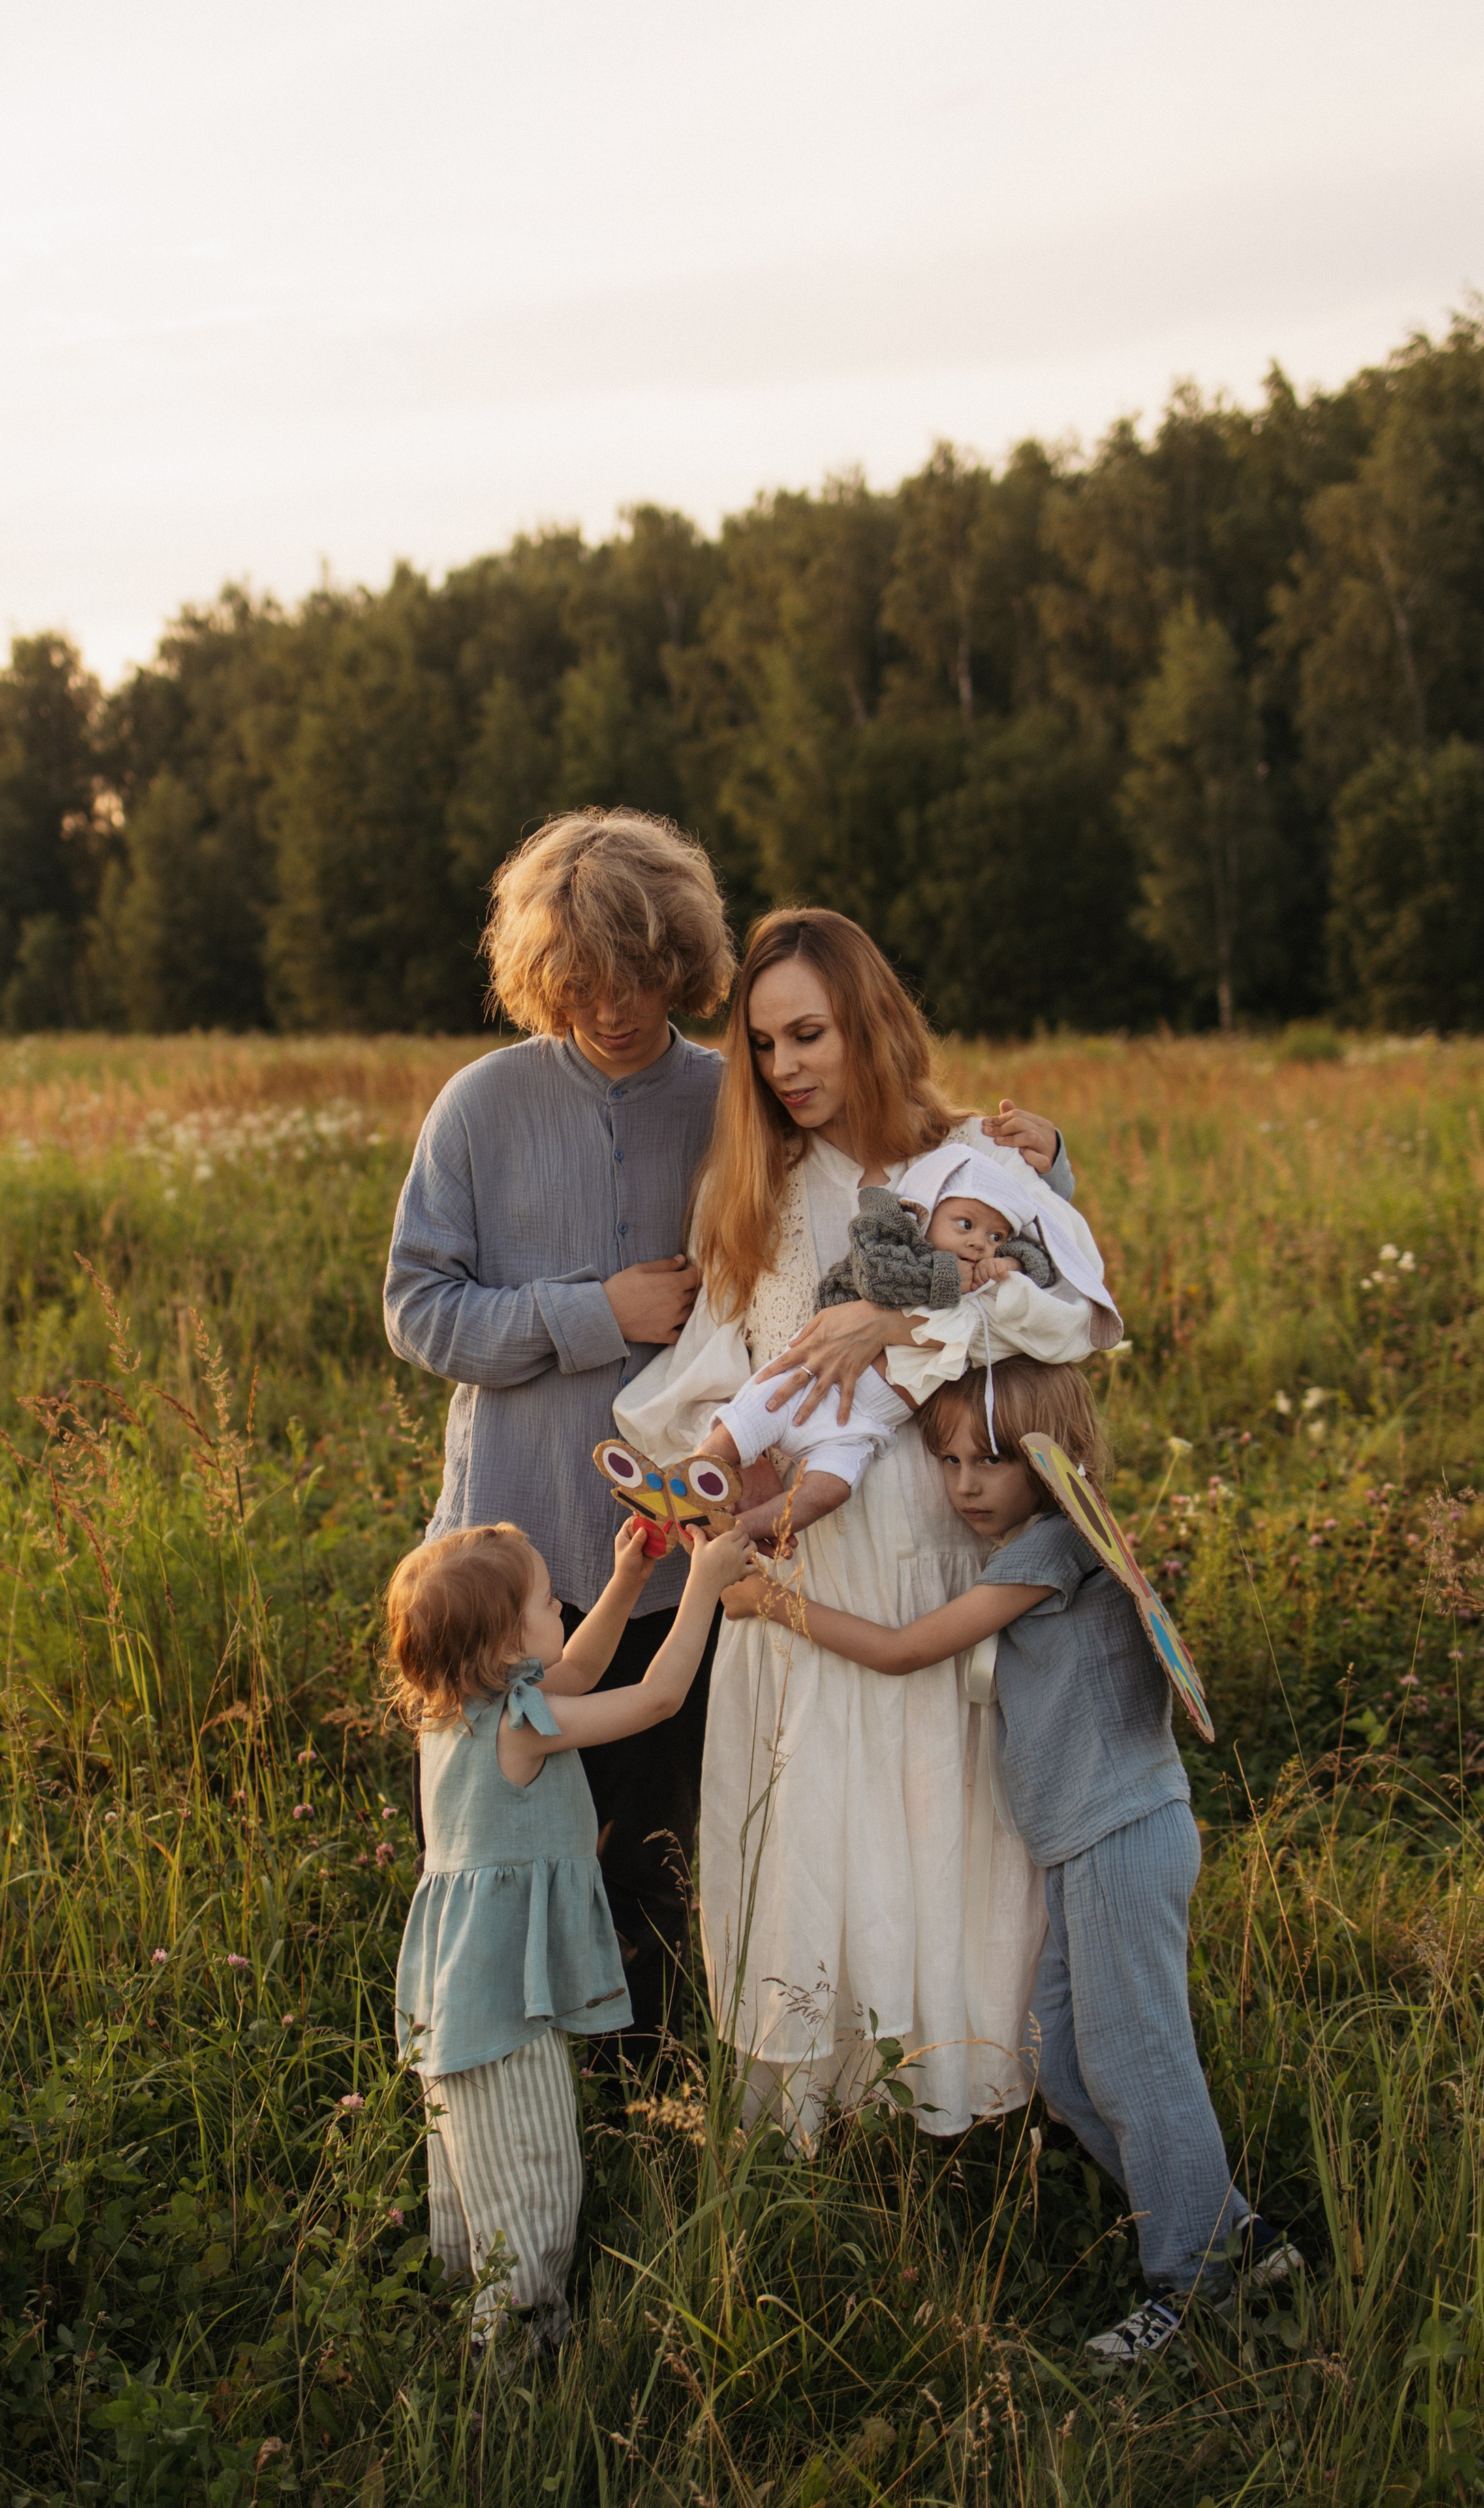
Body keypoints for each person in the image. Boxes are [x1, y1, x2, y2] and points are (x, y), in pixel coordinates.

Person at [613, 906, 1085, 2144]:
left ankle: (963, 2094)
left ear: (869, 1020)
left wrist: (905, 1325)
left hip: (928, 1520)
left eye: (810, 1034)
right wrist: (710, 1475)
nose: (788, 1070)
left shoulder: (968, 1167)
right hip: (802, 1543)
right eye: (764, 1047)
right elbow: (731, 1362)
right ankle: (824, 2109)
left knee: (940, 1804)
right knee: (816, 1806)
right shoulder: (755, 1182)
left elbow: (1072, 1316)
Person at [722, 1356, 1302, 2361]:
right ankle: (1232, 2234)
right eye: (947, 1461)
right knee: (1067, 2057)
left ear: (1049, 1459)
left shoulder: (1053, 1551)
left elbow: (910, 1650)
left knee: (1137, 2057)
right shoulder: (1040, 1542)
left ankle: (1196, 2280)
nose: (964, 1486)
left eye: (990, 1461)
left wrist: (780, 1604)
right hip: (1086, 1842)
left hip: (1120, 1833)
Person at [383, 810, 736, 2058]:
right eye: (580, 982)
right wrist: (599, 1313)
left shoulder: (730, 1103)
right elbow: (417, 1311)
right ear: (542, 975)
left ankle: (646, 2106)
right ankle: (493, 2092)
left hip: (672, 1572)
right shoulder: (481, 1105)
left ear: (681, 961)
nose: (614, 1007)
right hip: (507, 1575)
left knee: (654, 1868)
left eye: (638, 978)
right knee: (491, 1854)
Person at [384, 1511, 752, 2349]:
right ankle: (518, 2344)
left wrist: (627, 1578)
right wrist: (701, 1584)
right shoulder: (520, 1726)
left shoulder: (457, 1712)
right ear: (507, 1651)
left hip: (461, 1985)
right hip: (505, 2000)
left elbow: (579, 1667)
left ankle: (456, 2293)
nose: (566, 1613)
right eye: (552, 1602)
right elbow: (657, 1698)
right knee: (532, 2162)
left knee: (471, 2154)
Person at [698, 1147, 1115, 1546]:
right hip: (801, 1386)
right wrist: (956, 1276)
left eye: (995, 1237)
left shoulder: (979, 1298)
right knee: (733, 1435)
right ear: (924, 1215)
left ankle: (736, 1531)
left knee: (827, 1492)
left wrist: (1013, 1263)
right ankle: (681, 1489)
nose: (978, 1244)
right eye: (965, 1225)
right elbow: (882, 1277)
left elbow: (1043, 1277)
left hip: (859, 1428)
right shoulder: (894, 1252)